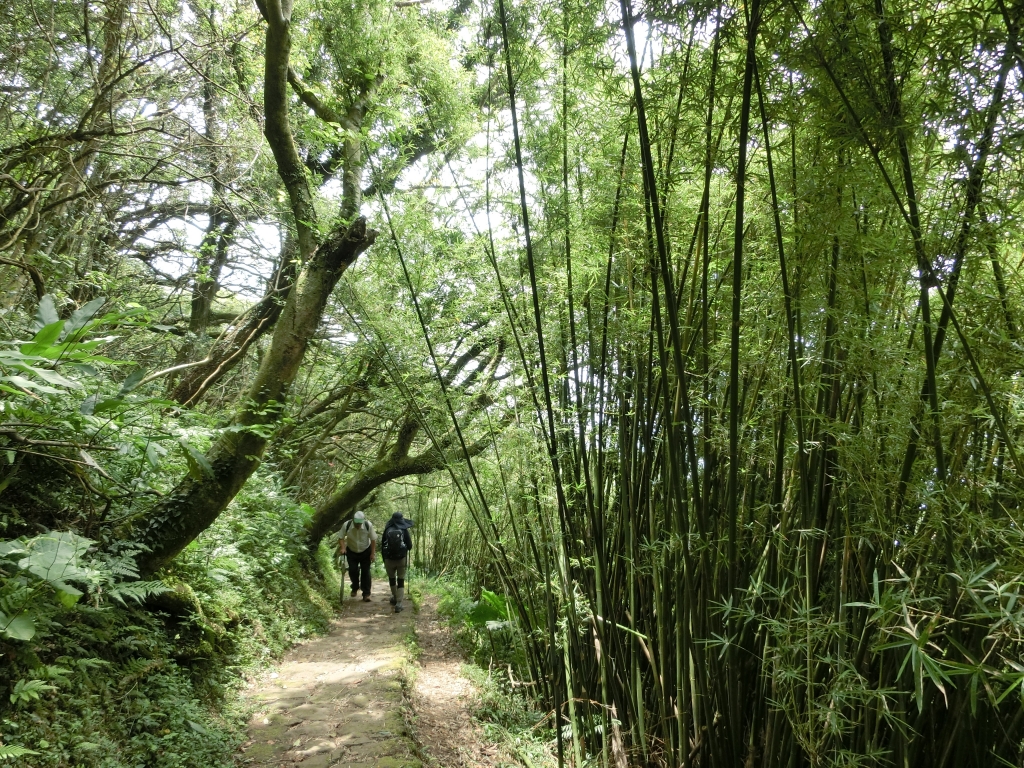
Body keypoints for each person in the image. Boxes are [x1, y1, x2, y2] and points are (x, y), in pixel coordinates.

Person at [334, 510, 376, 602]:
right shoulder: (347, 525)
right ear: (353, 520)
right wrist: (343, 548)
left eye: (359, 524)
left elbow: (373, 540)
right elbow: (341, 538)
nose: (358, 526)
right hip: (351, 550)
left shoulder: (368, 525)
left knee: (366, 572)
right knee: (352, 570)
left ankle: (366, 594)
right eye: (356, 523)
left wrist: (372, 553)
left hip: (365, 550)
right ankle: (355, 587)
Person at [380, 511, 413, 613]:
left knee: (392, 578)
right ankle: (399, 604)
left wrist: (384, 558)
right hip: (401, 559)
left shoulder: (387, 529)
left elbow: (382, 545)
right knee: (401, 580)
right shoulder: (403, 529)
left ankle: (394, 597)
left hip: (389, 559)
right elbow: (410, 546)